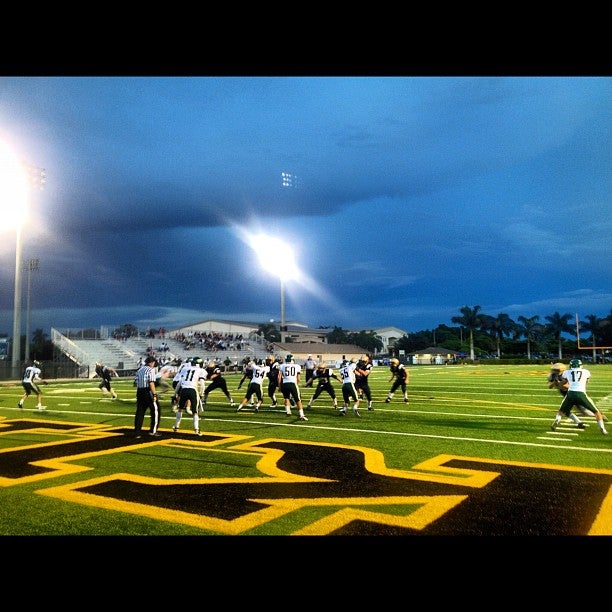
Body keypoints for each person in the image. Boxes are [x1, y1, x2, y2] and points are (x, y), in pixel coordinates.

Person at [551, 358, 608, 434]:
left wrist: (558, 383)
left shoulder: (567, 372)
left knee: (561, 411)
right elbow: (586, 382)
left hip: (570, 394)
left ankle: (557, 420)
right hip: (581, 394)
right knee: (596, 412)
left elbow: (564, 382)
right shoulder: (586, 372)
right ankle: (602, 429)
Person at [172, 356, 207, 436]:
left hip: (184, 389)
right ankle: (196, 430)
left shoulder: (185, 369)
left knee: (180, 409)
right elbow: (202, 384)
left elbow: (179, 383)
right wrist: (201, 394)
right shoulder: (201, 370)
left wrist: (174, 394)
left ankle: (176, 427)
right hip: (192, 390)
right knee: (195, 411)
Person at [133, 355, 161, 438]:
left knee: (140, 412)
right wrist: (154, 394)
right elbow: (151, 382)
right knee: (155, 410)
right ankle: (153, 430)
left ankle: (137, 432)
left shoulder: (140, 370)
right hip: (147, 392)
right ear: (151, 363)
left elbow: (135, 383)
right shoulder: (151, 370)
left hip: (139, 391)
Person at [278, 354, 308, 421]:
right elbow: (298, 378)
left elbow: (279, 377)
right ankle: (301, 414)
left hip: (285, 383)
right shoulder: (297, 366)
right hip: (293, 383)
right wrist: (296, 384)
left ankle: (288, 411)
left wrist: (279, 386)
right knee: (297, 399)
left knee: (286, 398)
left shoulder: (282, 366)